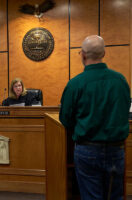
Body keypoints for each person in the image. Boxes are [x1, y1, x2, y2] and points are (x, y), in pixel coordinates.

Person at [59, 35, 130, 200]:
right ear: (104, 53)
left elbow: (66, 119)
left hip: (86, 149)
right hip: (116, 149)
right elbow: (125, 111)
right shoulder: (120, 81)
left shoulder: (75, 84)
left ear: (83, 55)